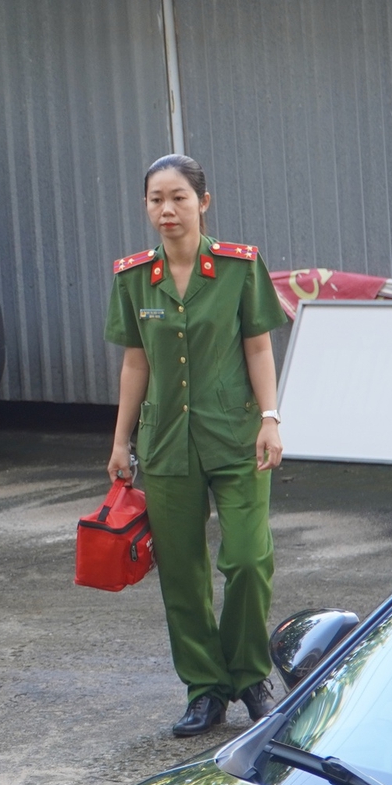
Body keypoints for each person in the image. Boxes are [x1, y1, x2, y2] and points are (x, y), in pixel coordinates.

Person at [104, 153, 288, 738]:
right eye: (156, 199)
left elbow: (258, 347)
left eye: (178, 197)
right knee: (180, 573)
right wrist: (119, 441)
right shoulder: (134, 278)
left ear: (203, 203)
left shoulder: (240, 267)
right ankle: (205, 689)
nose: (167, 210)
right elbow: (135, 363)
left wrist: (270, 418)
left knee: (248, 559)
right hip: (165, 445)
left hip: (236, 434)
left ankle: (249, 674)